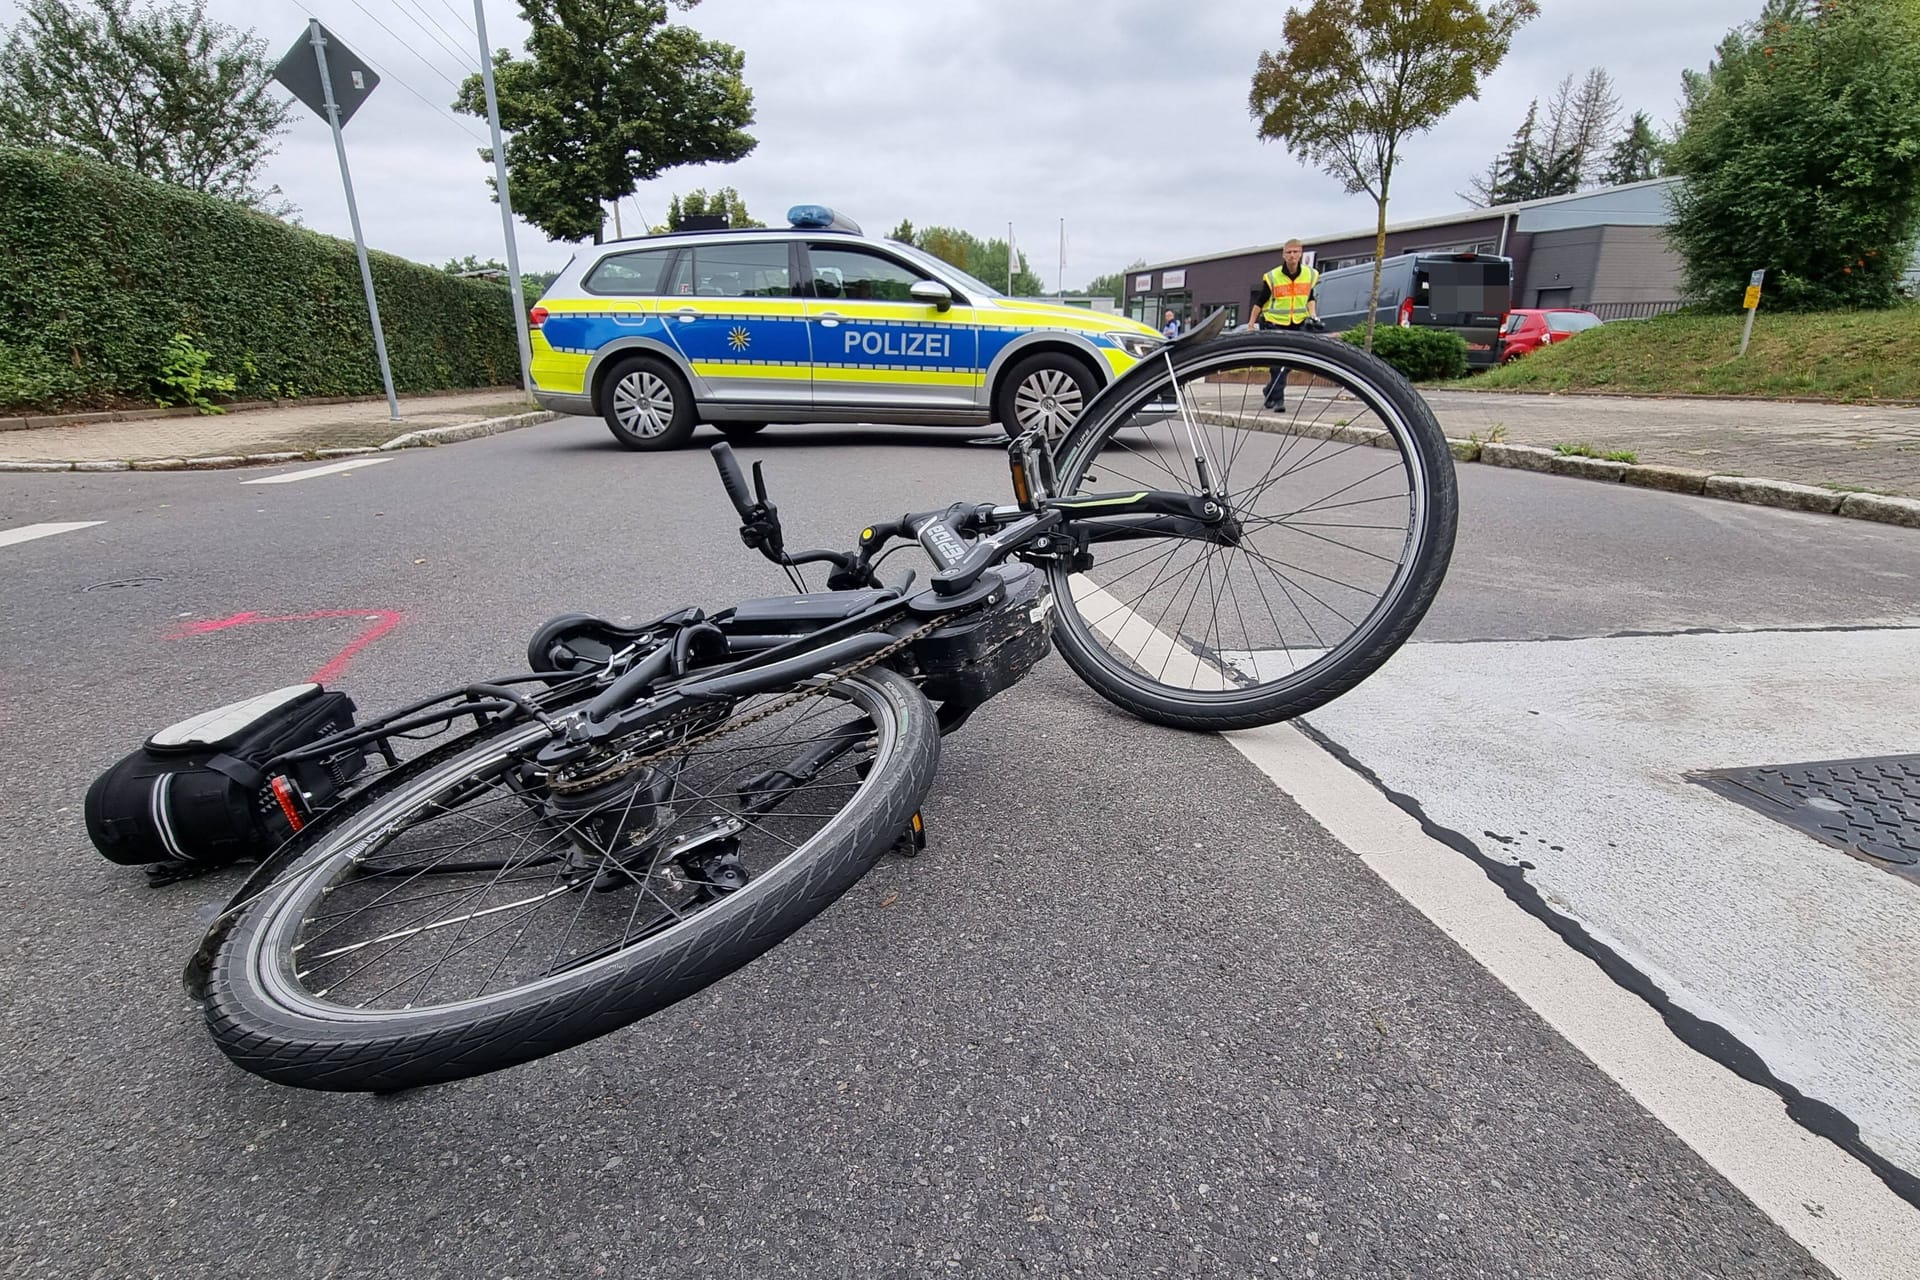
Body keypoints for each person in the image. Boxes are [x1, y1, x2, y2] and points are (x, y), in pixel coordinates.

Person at [1251, 239, 1320, 412]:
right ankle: (1279, 400)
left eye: (1296, 252)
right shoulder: (1273, 277)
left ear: (1301, 253)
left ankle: (1269, 392)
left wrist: (1313, 316)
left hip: (1297, 323)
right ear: (1283, 254)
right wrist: (1251, 323)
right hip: (1275, 323)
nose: (1292, 255)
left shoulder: (1309, 274)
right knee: (1277, 362)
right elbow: (1260, 301)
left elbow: (1310, 297)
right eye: (1289, 252)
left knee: (1288, 363)